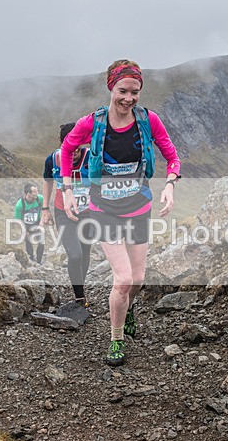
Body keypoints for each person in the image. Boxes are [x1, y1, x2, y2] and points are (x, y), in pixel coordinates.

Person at [60, 59, 181, 366]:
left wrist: (169, 185)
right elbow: (66, 149)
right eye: (123, 91)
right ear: (111, 87)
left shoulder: (148, 120)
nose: (128, 98)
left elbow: (171, 155)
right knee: (123, 278)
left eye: (135, 92)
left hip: (139, 208)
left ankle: (128, 308)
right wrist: (68, 189)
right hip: (105, 211)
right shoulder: (93, 123)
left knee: (138, 279)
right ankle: (116, 339)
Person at [41, 122, 94, 306]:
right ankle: (79, 298)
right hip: (63, 212)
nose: (74, 154)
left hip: (87, 212)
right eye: (70, 150)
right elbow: (47, 181)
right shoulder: (52, 160)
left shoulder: (90, 157)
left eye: (78, 149)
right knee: (75, 255)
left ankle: (80, 287)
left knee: (85, 252)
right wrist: (45, 209)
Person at [13, 182, 44, 264]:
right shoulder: (20, 205)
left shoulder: (40, 198)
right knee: (28, 243)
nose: (37, 193)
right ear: (28, 193)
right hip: (26, 226)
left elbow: (45, 211)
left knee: (41, 243)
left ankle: (39, 262)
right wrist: (24, 231)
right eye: (34, 192)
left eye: (37, 191)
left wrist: (41, 223)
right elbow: (18, 220)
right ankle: (31, 259)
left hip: (37, 224)